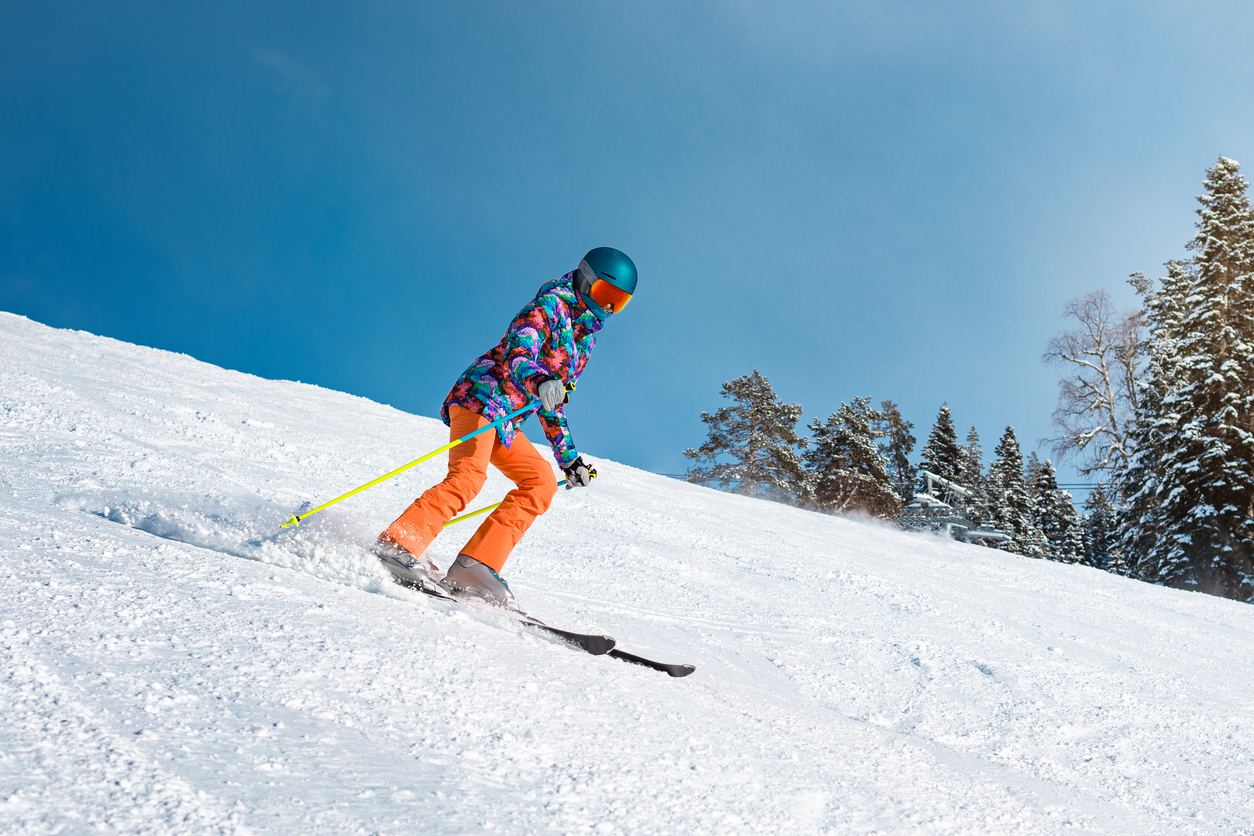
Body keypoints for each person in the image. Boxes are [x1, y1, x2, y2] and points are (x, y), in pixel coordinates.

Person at [375, 247, 637, 607]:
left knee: (541, 482)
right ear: (587, 281)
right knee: (468, 477)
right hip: (481, 398)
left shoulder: (584, 342)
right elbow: (518, 353)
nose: (608, 308)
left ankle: (475, 565)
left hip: (505, 421)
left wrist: (570, 460)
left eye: (618, 303)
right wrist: (541, 380)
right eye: (607, 295)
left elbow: (552, 402)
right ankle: (399, 543)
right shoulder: (548, 306)